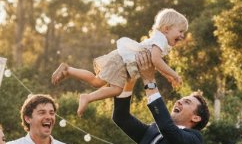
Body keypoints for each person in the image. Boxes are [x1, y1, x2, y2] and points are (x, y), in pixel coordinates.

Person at [52, 8, 187, 116]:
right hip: (122, 62)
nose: (182, 36)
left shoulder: (160, 41)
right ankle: (86, 97)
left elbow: (154, 63)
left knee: (97, 81)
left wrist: (168, 76)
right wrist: (174, 74)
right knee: (115, 89)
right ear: (166, 28)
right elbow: (156, 60)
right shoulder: (161, 40)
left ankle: (68, 70)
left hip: (122, 61)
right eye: (180, 31)